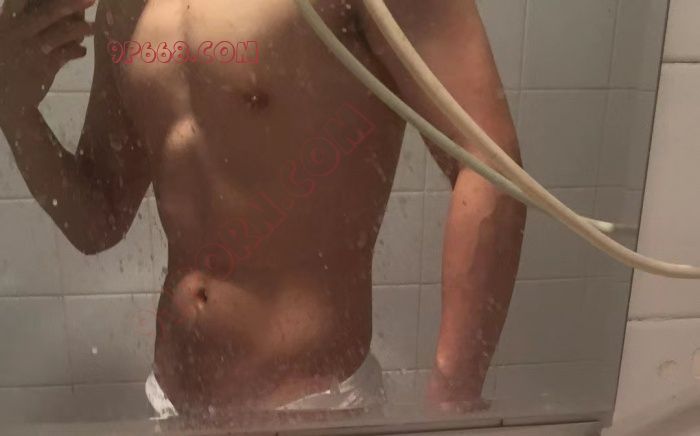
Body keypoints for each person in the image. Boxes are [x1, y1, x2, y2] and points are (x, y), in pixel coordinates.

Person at [0, 0, 526, 423]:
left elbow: (488, 162)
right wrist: (14, 109)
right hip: (171, 401)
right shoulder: (126, 9)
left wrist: (451, 403)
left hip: (315, 408)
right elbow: (97, 219)